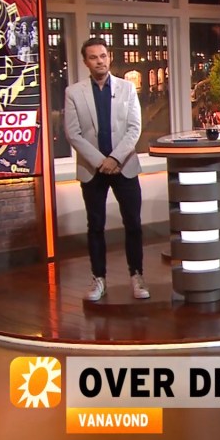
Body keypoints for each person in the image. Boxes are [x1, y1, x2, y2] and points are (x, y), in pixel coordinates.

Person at [63, 37, 147, 301]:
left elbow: (134, 128)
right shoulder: (74, 92)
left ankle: (137, 276)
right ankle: (98, 279)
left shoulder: (127, 88)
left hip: (124, 166)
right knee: (95, 225)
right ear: (85, 61)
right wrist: (101, 161)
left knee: (133, 223)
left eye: (103, 56)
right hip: (93, 169)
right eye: (93, 57)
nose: (99, 61)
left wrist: (115, 158)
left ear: (109, 57)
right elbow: (73, 133)